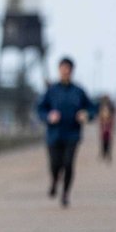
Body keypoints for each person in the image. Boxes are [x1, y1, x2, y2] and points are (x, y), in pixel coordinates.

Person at [36, 57, 97, 207]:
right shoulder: (51, 91)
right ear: (59, 70)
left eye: (68, 68)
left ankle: (65, 193)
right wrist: (48, 116)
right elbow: (40, 109)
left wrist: (86, 115)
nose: (65, 71)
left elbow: (92, 108)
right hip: (54, 135)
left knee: (68, 164)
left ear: (72, 70)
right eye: (63, 68)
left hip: (72, 134)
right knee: (55, 164)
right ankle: (55, 180)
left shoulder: (78, 91)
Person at [97, 96, 114, 162]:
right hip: (103, 132)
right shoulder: (101, 117)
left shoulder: (110, 118)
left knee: (108, 143)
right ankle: (103, 154)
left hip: (108, 132)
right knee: (103, 143)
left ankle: (108, 155)